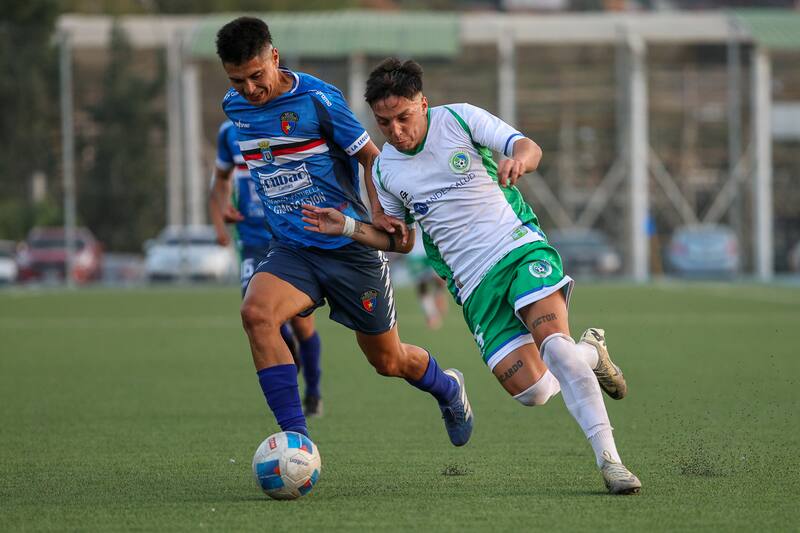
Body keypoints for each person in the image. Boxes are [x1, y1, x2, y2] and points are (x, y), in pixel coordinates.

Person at [301, 58, 642, 494]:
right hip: (473, 286)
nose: (397, 130)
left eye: (404, 117)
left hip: (518, 250)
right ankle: (592, 353)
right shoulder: (385, 169)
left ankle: (611, 463)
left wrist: (518, 162)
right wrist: (346, 226)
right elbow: (401, 242)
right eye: (385, 123)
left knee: (556, 348)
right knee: (533, 391)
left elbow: (528, 148)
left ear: (423, 103)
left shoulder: (460, 118)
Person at [215, 18, 472, 446]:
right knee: (256, 314)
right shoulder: (234, 106)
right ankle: (296, 443)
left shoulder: (318, 100)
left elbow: (372, 158)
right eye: (237, 80)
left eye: (257, 76)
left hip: (350, 249)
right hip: (293, 249)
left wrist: (376, 210)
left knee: (388, 361)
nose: (249, 89)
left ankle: (448, 387)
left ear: (274, 58)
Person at [209, 119, 323, 416]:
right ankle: (288, 360)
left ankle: (313, 391)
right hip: (252, 242)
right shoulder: (228, 133)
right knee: (257, 314)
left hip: (290, 240)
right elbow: (220, 181)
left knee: (302, 323)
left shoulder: (288, 123)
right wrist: (222, 214)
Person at [406, 224, 448, 329]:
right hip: (414, 250)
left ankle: (439, 294)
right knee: (421, 284)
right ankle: (431, 314)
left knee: (439, 277)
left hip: (430, 246)